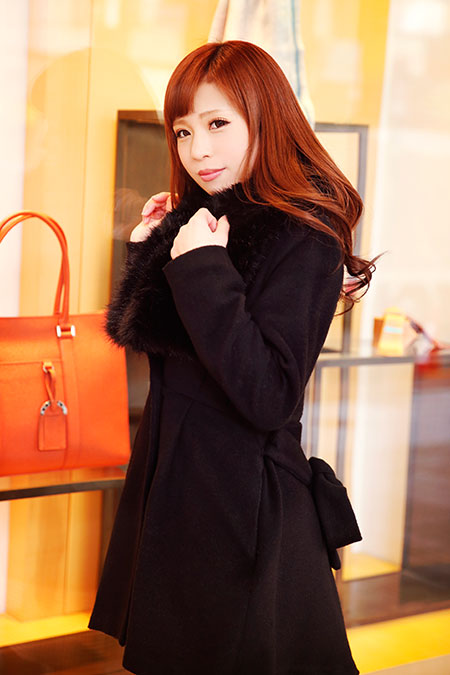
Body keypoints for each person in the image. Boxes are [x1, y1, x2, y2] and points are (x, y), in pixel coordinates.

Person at [88, 40, 378, 675]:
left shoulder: (302, 233)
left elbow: (268, 394)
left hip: (242, 513)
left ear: (264, 117)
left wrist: (199, 268)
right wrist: (151, 251)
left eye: (218, 123)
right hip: (181, 494)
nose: (198, 150)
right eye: (184, 130)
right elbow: (165, 354)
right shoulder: (211, 219)